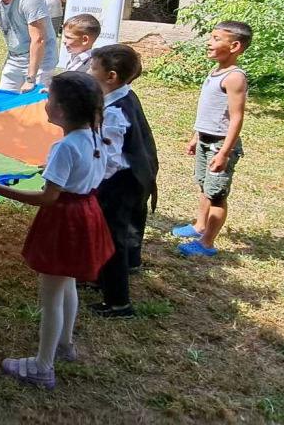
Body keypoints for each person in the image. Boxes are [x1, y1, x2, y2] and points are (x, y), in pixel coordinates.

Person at [0, 72, 113, 390]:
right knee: (68, 284)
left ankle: (43, 366)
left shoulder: (65, 146)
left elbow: (48, 197)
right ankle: (65, 344)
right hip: (87, 214)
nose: (45, 103)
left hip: (64, 220)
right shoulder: (96, 136)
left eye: (49, 99)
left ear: (63, 110)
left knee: (51, 296)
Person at [88, 45, 158, 318]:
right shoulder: (124, 95)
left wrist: (89, 179)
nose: (89, 71)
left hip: (121, 181)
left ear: (111, 76)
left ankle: (119, 303)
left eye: (93, 68)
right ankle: (103, 276)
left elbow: (111, 161)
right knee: (121, 230)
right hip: (136, 175)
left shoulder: (115, 113)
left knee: (112, 238)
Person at [172, 21, 252, 257]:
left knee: (216, 194)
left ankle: (206, 242)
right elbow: (212, 111)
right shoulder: (215, 71)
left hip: (220, 144)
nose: (209, 42)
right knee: (203, 186)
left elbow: (236, 118)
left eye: (217, 39)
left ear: (235, 46)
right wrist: (197, 135)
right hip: (206, 139)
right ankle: (199, 226)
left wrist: (224, 152)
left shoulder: (235, 77)